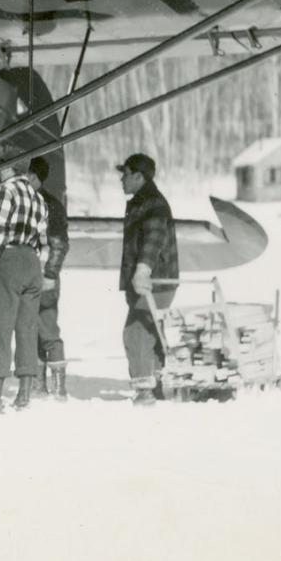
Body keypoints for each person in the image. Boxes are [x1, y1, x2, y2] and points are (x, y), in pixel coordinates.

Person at [0, 159, 50, 415]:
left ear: (9, 169)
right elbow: (45, 243)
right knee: (27, 328)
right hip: (32, 263)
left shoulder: (7, 190)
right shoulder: (39, 199)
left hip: (9, 260)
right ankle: (24, 395)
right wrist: (35, 265)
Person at [117, 153, 178, 406]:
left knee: (136, 331)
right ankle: (158, 385)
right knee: (150, 328)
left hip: (156, 280)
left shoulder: (152, 203)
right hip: (151, 280)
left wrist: (143, 270)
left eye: (126, 174)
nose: (122, 179)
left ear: (138, 176)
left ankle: (144, 390)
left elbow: (154, 239)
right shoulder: (140, 202)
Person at [32, 158, 72, 401]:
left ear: (34, 176)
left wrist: (50, 274)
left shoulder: (50, 205)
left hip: (44, 275)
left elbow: (59, 244)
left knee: (47, 329)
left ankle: (58, 387)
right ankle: (38, 384)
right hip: (31, 273)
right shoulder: (34, 202)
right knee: (31, 329)